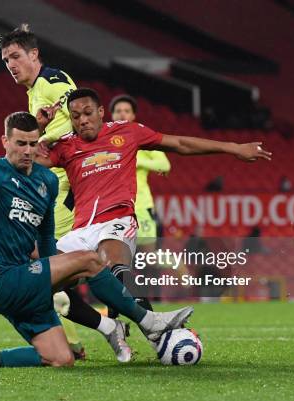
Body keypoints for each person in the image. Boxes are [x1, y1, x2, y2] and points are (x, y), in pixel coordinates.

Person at [0, 73, 194, 368]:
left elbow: (45, 239)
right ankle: (149, 322)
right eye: (20, 143)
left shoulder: (46, 181)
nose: (28, 151)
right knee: (91, 260)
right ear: (5, 141)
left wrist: (56, 274)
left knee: (59, 358)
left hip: (27, 280)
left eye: (33, 144)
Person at [36, 87, 271, 327]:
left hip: (117, 221)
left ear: (100, 111)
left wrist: (234, 148)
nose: (82, 120)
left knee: (114, 266)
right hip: (80, 231)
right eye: (75, 116)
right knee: (40, 280)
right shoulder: (65, 146)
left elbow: (179, 143)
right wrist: (39, 128)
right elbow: (24, 161)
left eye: (87, 113)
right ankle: (108, 328)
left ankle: (161, 336)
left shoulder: (127, 132)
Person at [0, 24, 84, 357]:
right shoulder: (35, 92)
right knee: (48, 264)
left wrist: (46, 144)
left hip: (63, 183)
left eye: (16, 56)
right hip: (54, 184)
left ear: (34, 55)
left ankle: (130, 319)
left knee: (48, 263)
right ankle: (75, 338)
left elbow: (76, 111)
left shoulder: (50, 80)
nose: (11, 65)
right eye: (6, 60)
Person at [109, 94, 170, 313]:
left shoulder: (142, 139)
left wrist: (131, 156)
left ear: (133, 115)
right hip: (115, 208)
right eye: (118, 111)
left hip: (141, 207)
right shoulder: (107, 138)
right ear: (111, 115)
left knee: (146, 258)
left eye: (126, 111)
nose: (122, 114)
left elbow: (165, 163)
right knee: (119, 259)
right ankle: (120, 306)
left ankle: (153, 301)